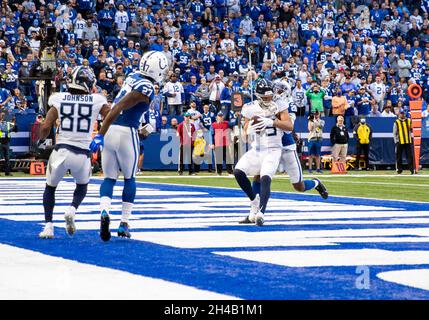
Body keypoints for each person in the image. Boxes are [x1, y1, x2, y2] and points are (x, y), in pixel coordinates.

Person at [89, 51, 170, 241]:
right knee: (129, 178)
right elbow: (119, 108)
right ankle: (124, 223)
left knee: (109, 178)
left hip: (110, 131)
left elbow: (117, 107)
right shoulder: (147, 87)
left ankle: (104, 211)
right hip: (126, 132)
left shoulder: (132, 76)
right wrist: (99, 133)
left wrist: (102, 133)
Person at [38, 66, 110, 239]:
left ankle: (48, 226)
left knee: (50, 187)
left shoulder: (59, 98)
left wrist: (41, 137)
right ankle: (72, 209)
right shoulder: (96, 100)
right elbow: (110, 115)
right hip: (82, 154)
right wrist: (101, 135)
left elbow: (46, 127)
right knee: (82, 186)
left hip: (61, 152)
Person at [234, 79, 294, 226]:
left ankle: (261, 212)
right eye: (265, 97)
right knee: (238, 172)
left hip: (274, 149)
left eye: (269, 96)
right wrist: (250, 128)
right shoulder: (250, 108)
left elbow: (289, 126)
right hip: (257, 148)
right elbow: (245, 133)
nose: (268, 99)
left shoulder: (280, 104)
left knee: (265, 177)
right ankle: (254, 201)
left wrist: (272, 122)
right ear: (258, 96)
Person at [211, 111, 233, 175]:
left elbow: (234, 123)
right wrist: (212, 143)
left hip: (225, 143)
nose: (220, 117)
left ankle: (230, 172)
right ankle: (219, 172)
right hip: (217, 144)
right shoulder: (213, 124)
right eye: (219, 116)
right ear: (217, 117)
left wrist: (237, 117)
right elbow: (212, 134)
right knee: (218, 159)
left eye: (221, 116)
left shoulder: (226, 123)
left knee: (227, 159)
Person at [393, 109, 414, 174]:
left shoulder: (409, 120)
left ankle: (411, 169)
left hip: (408, 140)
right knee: (399, 156)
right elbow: (394, 132)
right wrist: (396, 141)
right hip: (400, 141)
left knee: (409, 156)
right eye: (401, 113)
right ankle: (399, 169)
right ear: (399, 114)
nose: (402, 114)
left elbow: (412, 129)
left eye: (403, 113)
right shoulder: (396, 122)